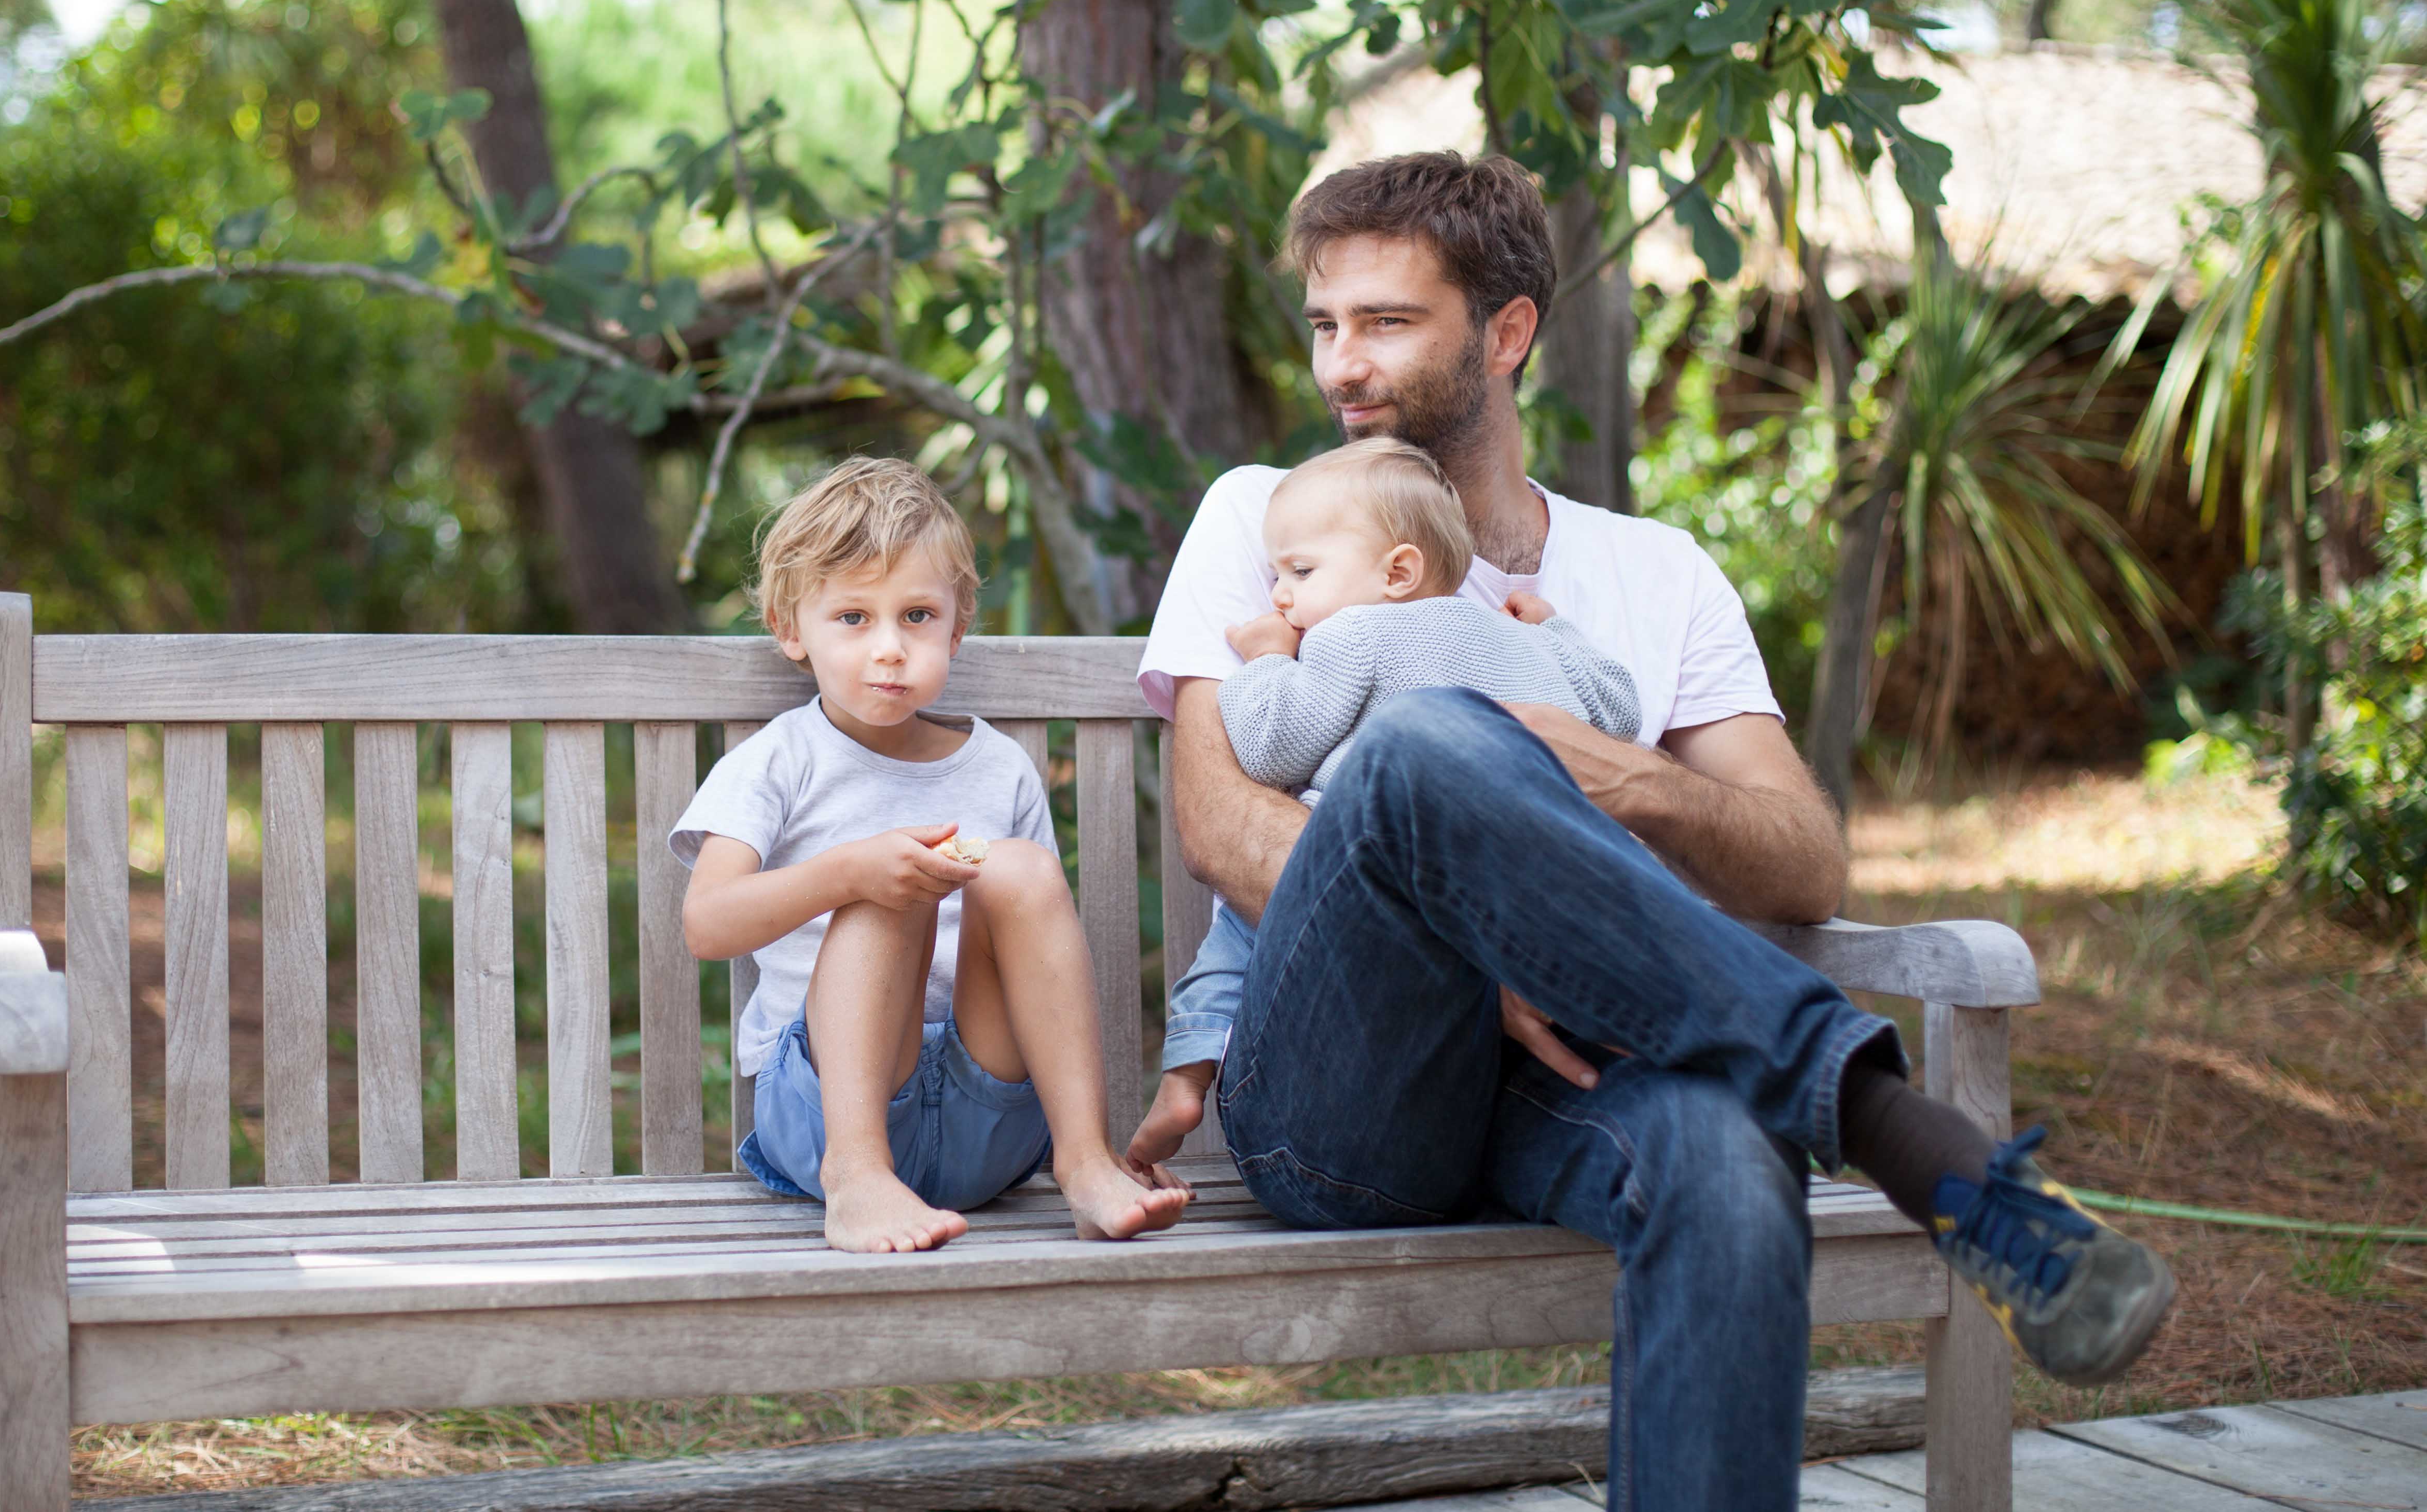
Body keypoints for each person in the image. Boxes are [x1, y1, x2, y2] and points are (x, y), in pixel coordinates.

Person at [1125, 152, 2171, 1511]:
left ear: (1507, 331)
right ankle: (1892, 1122)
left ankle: (1897, 1150)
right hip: (1343, 1091)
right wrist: (1477, 933)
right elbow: (1219, 822)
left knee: (1733, 1162)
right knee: (1428, 740)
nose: (1341, 364)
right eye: (1326, 323)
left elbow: (1804, 856)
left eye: (1386, 321)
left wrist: (1625, 777)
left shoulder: (1653, 574)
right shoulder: (1272, 517)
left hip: (1580, 1077)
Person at [674, 456, 1190, 1254]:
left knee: (1020, 869)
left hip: (989, 1117)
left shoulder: (999, 768)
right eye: (853, 617)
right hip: (828, 1116)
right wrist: (848, 872)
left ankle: (1085, 1161)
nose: (889, 648)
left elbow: (1035, 943)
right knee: (888, 887)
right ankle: (860, 1179)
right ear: (790, 629)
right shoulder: (777, 761)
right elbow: (707, 923)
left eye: (916, 615)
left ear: (957, 624)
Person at [1211, 435, 1642, 806]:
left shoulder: (1351, 637)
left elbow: (1270, 752)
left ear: (1398, 574)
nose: (1278, 595)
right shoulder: (1523, 638)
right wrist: (1553, 630)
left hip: (1412, 847)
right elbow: (1621, 713)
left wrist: (1267, 658)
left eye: (1302, 571)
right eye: (1276, 576)